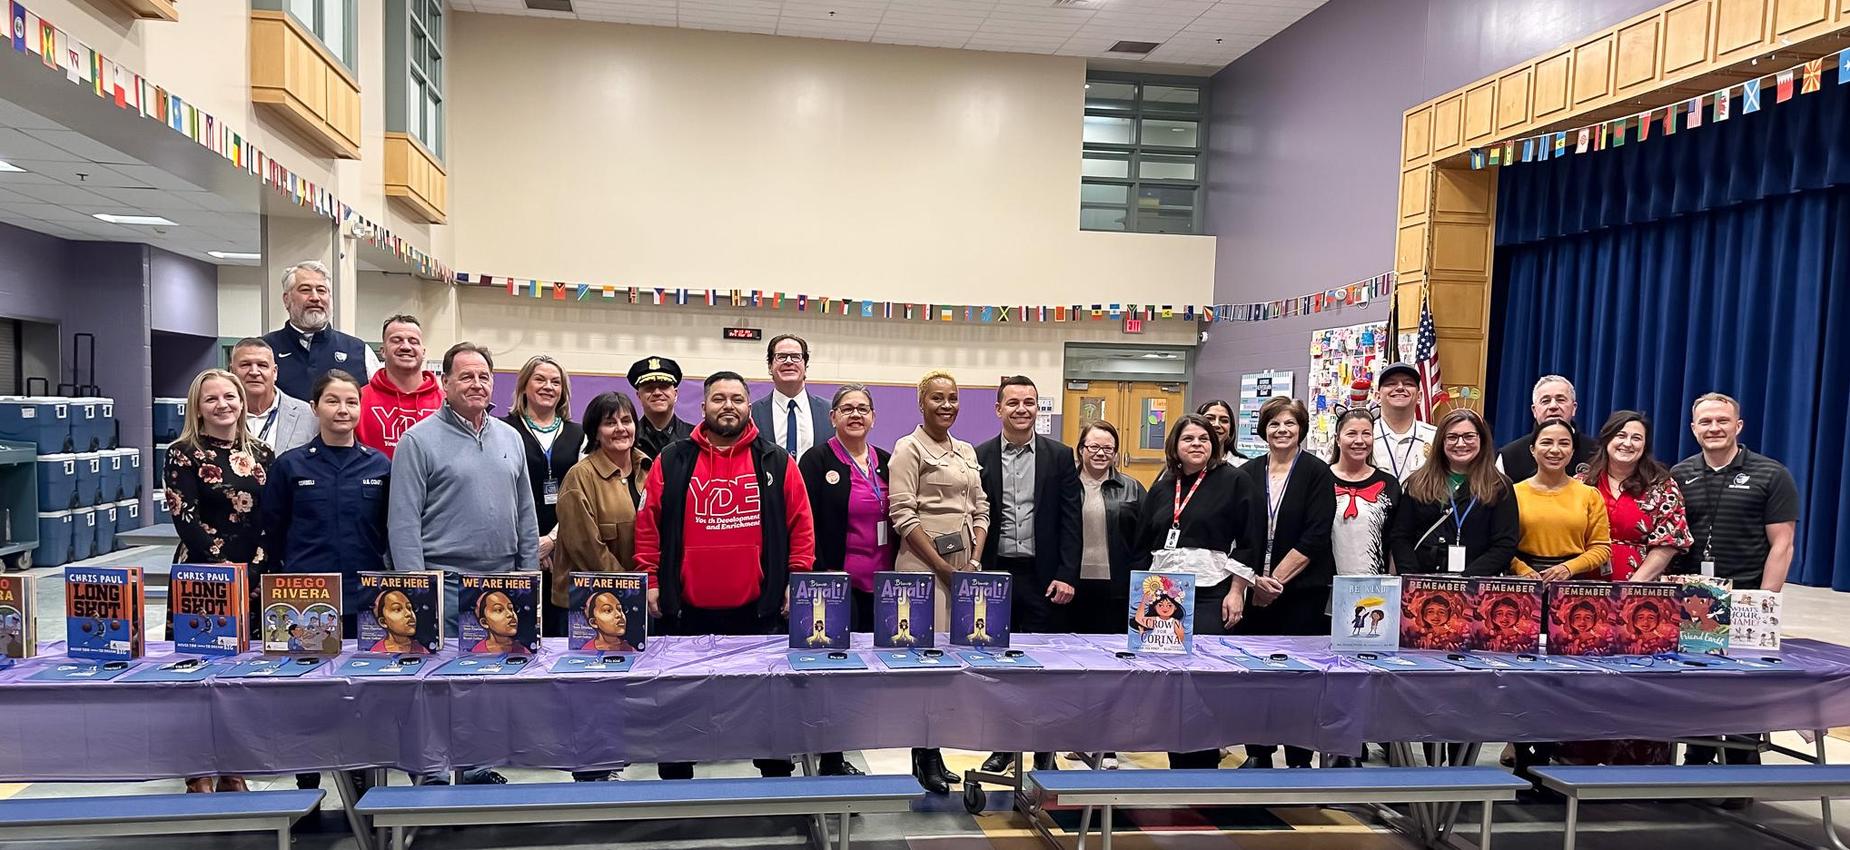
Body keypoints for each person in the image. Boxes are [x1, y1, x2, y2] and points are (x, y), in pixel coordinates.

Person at [635, 371, 815, 780]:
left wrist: (796, 581)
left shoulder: (776, 460)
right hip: (688, 609)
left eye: (736, 398)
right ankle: (677, 782)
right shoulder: (672, 459)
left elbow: (800, 525)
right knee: (682, 702)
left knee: (765, 703)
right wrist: (651, 580)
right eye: (719, 399)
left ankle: (775, 778)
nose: (728, 406)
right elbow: (648, 524)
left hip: (758, 609)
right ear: (703, 407)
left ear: (749, 406)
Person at [1674, 393, 1799, 770]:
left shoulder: (1771, 474)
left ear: (1738, 426)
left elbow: (1783, 544)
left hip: (1748, 597)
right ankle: (1696, 760)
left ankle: (1743, 769)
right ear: (1694, 429)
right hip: (1694, 600)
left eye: (1722, 421)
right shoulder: (1680, 474)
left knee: (1744, 688)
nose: (1714, 428)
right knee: (1697, 686)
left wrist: (1764, 602)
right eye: (1706, 422)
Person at [164, 368, 272, 795]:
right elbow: (184, 518)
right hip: (203, 579)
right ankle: (197, 770)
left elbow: (271, 514)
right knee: (198, 679)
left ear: (243, 402)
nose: (223, 405)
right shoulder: (182, 454)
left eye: (230, 396)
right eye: (212, 399)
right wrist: (226, 570)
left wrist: (261, 562)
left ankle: (233, 766)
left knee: (241, 679)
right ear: (198, 407)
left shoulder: (263, 453)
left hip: (255, 576)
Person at [1131, 414, 1257, 769]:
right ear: (1176, 445)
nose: (1197, 444)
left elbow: (1249, 540)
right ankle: (1178, 765)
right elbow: (1144, 542)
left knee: (1203, 681)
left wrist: (1236, 592)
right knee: (1170, 684)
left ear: (1215, 444)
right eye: (1189, 438)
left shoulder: (1234, 480)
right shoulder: (1163, 484)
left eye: (1204, 438)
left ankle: (1204, 768)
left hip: (1210, 591)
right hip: (1163, 594)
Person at [888, 369, 988, 792]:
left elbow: (981, 509)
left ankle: (936, 749)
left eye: (952, 398)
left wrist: (974, 562)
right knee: (923, 666)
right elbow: (902, 515)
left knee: (952, 665)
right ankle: (922, 754)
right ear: (921, 403)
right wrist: (943, 569)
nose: (946, 405)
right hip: (921, 569)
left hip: (964, 571)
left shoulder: (965, 450)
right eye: (937, 398)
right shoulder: (907, 448)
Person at [973, 376, 1079, 774]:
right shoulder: (978, 456)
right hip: (996, 577)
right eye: (1013, 402)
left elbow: (1071, 521)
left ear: (1039, 408)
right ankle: (1003, 746)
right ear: (998, 409)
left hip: (1044, 578)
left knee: (1042, 668)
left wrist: (1067, 573)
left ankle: (1043, 749)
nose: (1022, 409)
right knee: (998, 668)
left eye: (1029, 402)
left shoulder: (1060, 456)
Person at [1237, 396, 1336, 770]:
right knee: (1256, 676)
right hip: (1252, 591)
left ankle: (1299, 756)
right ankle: (1258, 752)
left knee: (1300, 677)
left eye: (1290, 424)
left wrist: (1272, 582)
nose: (1282, 430)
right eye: (1275, 424)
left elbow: (1315, 535)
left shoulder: (1316, 473)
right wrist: (1253, 584)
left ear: (1301, 430)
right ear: (1263, 430)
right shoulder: (1246, 473)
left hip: (1300, 593)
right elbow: (1238, 533)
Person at [260, 369, 392, 626]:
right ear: (315, 407)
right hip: (305, 595)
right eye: (332, 401)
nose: (343, 409)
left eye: (351, 402)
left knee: (365, 666)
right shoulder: (290, 465)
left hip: (366, 594)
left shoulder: (380, 465)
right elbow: (272, 529)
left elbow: (389, 529)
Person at [552, 391, 651, 635]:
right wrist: (631, 590)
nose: (620, 428)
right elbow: (587, 549)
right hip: (591, 605)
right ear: (595, 432)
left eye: (626, 421)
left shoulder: (650, 469)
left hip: (642, 599)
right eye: (609, 423)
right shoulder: (580, 477)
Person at [798, 385, 894, 630]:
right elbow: (805, 523)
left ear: (873, 417)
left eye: (863, 409)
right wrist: (819, 571)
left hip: (884, 580)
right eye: (847, 409)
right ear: (833, 417)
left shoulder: (886, 460)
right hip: (836, 580)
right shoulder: (815, 460)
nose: (856, 415)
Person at [1390, 408, 1521, 576]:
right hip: (1423, 585)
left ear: (1482, 439)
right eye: (1452, 437)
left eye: (1469, 436)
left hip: (1477, 587)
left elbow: (1505, 545)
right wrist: (1413, 579)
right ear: (1441, 442)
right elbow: (1401, 537)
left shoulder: (1500, 486)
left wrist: (1464, 581)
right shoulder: (1418, 482)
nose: (1460, 444)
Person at [1581, 411, 1691, 582]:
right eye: (1621, 435)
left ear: (1645, 445)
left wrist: (1632, 588)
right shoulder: (1582, 483)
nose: (1627, 443)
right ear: (1607, 439)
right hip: (1580, 587)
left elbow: (1669, 542)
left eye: (1636, 438)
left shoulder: (1663, 487)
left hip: (1639, 590)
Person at [504, 356, 585, 582]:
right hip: (514, 550)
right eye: (539, 379)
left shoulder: (579, 435)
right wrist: (530, 547)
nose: (548, 387)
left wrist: (552, 541)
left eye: (556, 382)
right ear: (524, 386)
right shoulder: (502, 430)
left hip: (566, 548)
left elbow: (584, 496)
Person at [260, 260, 379, 401]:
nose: (315, 298)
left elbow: (377, 404)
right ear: (287, 299)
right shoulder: (264, 349)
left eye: (321, 290)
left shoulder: (359, 351)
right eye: (305, 290)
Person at [1509, 419, 1612, 581]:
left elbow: (1601, 547)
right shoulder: (1513, 493)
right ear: (1532, 449)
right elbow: (1499, 545)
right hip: (1524, 584)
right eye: (1546, 442)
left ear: (1572, 451)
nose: (1555, 450)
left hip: (1573, 584)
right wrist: (1522, 570)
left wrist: (1569, 568)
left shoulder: (1589, 495)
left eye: (1564, 443)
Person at [1070, 421, 1148, 635]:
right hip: (1071, 585)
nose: (1100, 453)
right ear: (1081, 449)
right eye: (1094, 447)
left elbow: (1145, 539)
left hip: (1118, 587)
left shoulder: (1132, 488)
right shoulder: (1065, 486)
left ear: (1115, 454)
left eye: (1108, 449)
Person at [357, 314, 443, 458]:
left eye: (413, 341)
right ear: (382, 351)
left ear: (423, 352)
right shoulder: (358, 400)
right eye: (396, 341)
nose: (406, 347)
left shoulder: (445, 403)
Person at [1328, 409, 1399, 577]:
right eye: (1351, 433)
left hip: (1375, 585)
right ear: (1338, 439)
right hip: (1324, 586)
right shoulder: (1319, 480)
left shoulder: (1389, 484)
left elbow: (1396, 539)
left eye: (1366, 434)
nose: (1359, 441)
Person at [1497, 375, 1596, 481]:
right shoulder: (1509, 457)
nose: (1553, 406)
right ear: (1534, 410)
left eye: (1561, 400)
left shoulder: (1596, 452)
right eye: (1545, 401)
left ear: (1574, 408)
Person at [751, 334, 835, 458]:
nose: (789, 361)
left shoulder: (830, 411)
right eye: (781, 357)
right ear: (770, 366)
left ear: (805, 366)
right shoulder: (753, 413)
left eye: (796, 357)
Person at [229, 338, 315, 454]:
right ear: (232, 372)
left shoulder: (309, 416)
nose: (254, 372)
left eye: (262, 365)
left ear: (274, 372)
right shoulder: (220, 415)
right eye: (245, 365)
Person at [1373, 363, 1435, 480]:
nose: (1400, 387)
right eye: (1391, 383)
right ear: (1377, 396)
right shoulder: (1362, 437)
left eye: (1408, 384)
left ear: (1419, 396)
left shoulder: (1435, 437)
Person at [628, 356, 694, 458]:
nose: (657, 393)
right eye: (649, 388)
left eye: (664, 386)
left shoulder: (694, 437)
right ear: (639, 396)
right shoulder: (628, 437)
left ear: (675, 394)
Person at [370, 590, 428, 654]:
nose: (409, 613)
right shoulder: (376, 652)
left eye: (409, 608)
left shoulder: (421, 649)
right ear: (383, 622)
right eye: (397, 609)